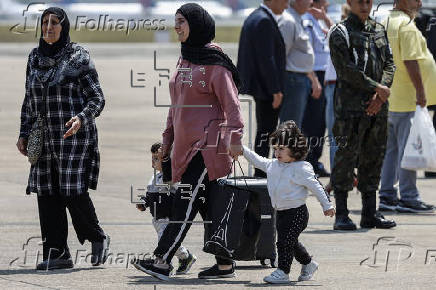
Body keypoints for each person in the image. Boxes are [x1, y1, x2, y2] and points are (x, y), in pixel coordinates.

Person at [132, 3, 244, 281]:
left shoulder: (215, 64)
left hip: (208, 148)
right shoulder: (186, 59)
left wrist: (235, 139)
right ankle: (225, 264)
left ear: (197, 24)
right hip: (185, 147)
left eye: (181, 21)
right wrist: (167, 140)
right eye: (175, 21)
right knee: (205, 205)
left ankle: (161, 260)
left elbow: (232, 106)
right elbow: (176, 107)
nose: (176, 27)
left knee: (185, 201)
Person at [16, 7, 109, 270]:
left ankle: (97, 236)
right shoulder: (34, 57)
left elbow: (97, 98)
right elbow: (28, 100)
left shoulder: (78, 56)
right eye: (44, 22)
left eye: (54, 23)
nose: (49, 27)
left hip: (73, 137)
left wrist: (81, 118)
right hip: (42, 138)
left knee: (72, 191)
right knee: (46, 193)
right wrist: (24, 132)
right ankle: (56, 254)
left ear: (63, 26)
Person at [236, 121, 335, 284]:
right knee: (291, 242)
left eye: (281, 149)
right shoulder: (273, 165)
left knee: (284, 242)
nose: (277, 152)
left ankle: (283, 271)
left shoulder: (302, 168)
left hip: (297, 213)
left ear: (295, 149)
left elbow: (317, 187)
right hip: (280, 213)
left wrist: (327, 205)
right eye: (275, 148)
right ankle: (309, 264)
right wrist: (242, 149)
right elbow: (257, 160)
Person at [329, 0, 397, 230]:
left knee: (374, 157)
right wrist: (376, 88)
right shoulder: (341, 32)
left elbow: (389, 62)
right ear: (350, 2)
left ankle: (370, 213)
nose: (365, 5)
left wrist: (381, 95)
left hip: (378, 106)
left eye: (368, 1)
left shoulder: (378, 29)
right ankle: (342, 214)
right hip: (350, 109)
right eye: (360, 1)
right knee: (345, 159)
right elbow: (346, 69)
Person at [378, 0, 436, 213]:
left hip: (391, 99)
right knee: (407, 151)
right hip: (407, 99)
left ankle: (387, 195)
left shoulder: (385, 22)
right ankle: (408, 197)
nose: (419, 3)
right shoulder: (407, 26)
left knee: (392, 151)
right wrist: (421, 92)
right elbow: (411, 61)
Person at [237, 0, 288, 177]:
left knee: (264, 132)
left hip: (260, 86)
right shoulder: (264, 20)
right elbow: (267, 59)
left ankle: (260, 173)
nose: (287, 5)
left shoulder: (255, 17)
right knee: (266, 133)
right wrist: (275, 89)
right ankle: (260, 175)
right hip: (266, 88)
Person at [135, 142, 197, 275]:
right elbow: (150, 194)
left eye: (157, 158)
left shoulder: (173, 178)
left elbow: (179, 194)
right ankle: (186, 257)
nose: (153, 161)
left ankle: (164, 264)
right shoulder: (154, 177)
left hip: (168, 217)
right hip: (157, 218)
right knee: (170, 242)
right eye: (152, 158)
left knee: (165, 241)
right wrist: (144, 202)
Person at [301, 0, 334, 177]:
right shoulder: (306, 21)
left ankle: (314, 160)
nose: (326, 6)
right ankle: (309, 160)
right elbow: (306, 53)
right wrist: (314, 79)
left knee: (320, 122)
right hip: (314, 75)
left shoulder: (316, 22)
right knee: (312, 122)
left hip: (323, 75)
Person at [278, 0, 321, 129]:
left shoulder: (296, 19)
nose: (311, 2)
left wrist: (313, 79)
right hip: (292, 81)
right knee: (290, 128)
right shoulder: (288, 21)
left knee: (294, 128)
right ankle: (284, 150)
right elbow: (281, 56)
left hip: (299, 79)